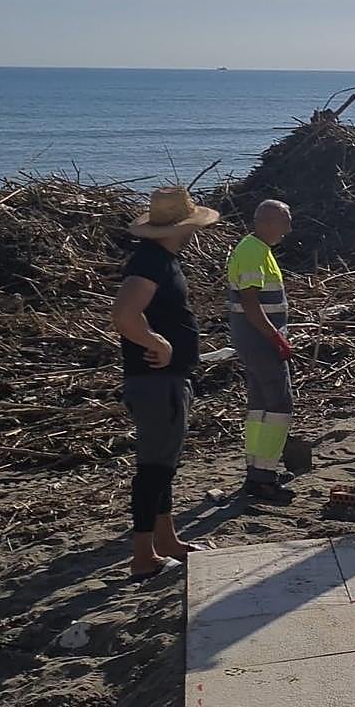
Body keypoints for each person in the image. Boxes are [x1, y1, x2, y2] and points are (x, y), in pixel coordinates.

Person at [112, 186, 220, 579]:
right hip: (158, 383)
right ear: (180, 228)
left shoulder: (160, 259)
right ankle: (143, 554)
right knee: (154, 469)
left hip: (166, 381)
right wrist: (154, 341)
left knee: (165, 465)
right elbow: (125, 314)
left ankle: (167, 540)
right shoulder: (150, 263)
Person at [227, 199, 295, 503]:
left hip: (250, 340)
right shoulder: (253, 252)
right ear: (266, 222)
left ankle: (256, 468)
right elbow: (252, 305)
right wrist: (276, 339)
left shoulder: (253, 248)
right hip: (260, 341)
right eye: (284, 222)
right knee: (280, 404)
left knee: (258, 405)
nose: (288, 229)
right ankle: (264, 476)